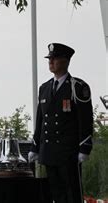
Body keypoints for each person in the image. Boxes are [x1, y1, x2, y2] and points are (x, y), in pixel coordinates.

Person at [29, 43, 93, 203]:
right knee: (55, 194)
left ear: (66, 61)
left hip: (68, 152)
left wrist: (85, 147)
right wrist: (35, 146)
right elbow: (41, 120)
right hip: (49, 151)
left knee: (72, 193)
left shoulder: (77, 87)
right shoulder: (44, 88)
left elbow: (85, 119)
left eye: (55, 58)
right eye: (49, 58)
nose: (51, 62)